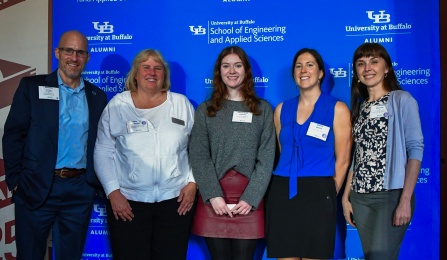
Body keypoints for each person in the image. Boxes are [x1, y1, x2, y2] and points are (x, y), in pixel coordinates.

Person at [2, 30, 108, 259]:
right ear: (57, 53)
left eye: (80, 52)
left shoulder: (97, 96)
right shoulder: (32, 87)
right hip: (36, 185)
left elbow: (102, 143)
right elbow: (13, 135)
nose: (74, 58)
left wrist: (91, 185)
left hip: (79, 190)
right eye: (69, 51)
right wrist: (15, 180)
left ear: (87, 58)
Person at [94, 49, 196, 259]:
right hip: (128, 203)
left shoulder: (181, 104)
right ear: (136, 74)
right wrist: (113, 192)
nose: (152, 72)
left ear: (164, 75)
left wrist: (193, 182)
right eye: (146, 67)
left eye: (158, 68)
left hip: (175, 203)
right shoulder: (118, 106)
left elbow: (198, 148)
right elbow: (103, 151)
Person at [189, 46, 276, 260]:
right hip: (214, 200)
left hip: (249, 202)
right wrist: (213, 195)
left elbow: (266, 158)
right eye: (226, 66)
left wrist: (251, 198)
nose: (232, 71)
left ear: (246, 70)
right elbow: (199, 155)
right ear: (219, 72)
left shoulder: (262, 110)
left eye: (238, 65)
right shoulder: (206, 110)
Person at [265, 48, 352, 260]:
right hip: (282, 191)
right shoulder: (281, 110)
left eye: (310, 65)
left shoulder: (337, 109)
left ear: (321, 73)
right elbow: (282, 149)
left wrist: (330, 192)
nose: (304, 70)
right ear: (294, 74)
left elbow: (343, 159)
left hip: (318, 192)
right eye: (298, 66)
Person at [341, 43, 424, 260]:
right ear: (356, 73)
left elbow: (415, 149)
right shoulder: (360, 108)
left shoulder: (401, 100)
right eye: (361, 63)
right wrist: (346, 197)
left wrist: (405, 200)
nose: (367, 67)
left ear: (386, 68)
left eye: (374, 61)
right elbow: (357, 157)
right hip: (360, 198)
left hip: (391, 197)